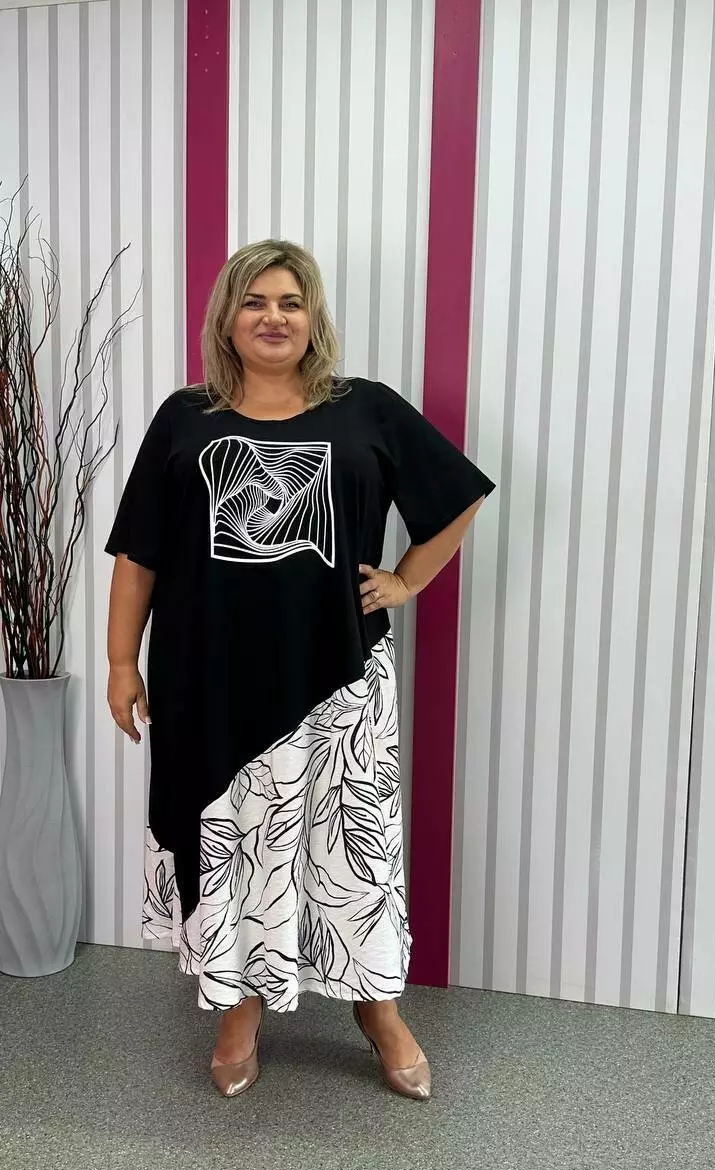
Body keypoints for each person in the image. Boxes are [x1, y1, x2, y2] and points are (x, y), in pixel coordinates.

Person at [105, 240, 495, 1102]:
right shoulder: (185, 418)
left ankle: (377, 1008)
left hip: (336, 680)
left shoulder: (366, 409)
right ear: (227, 319)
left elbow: (457, 494)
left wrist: (406, 579)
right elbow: (139, 553)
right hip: (208, 682)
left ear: (313, 317)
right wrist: (120, 661)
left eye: (290, 301)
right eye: (254, 301)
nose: (273, 317)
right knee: (234, 841)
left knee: (351, 850)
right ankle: (238, 1006)